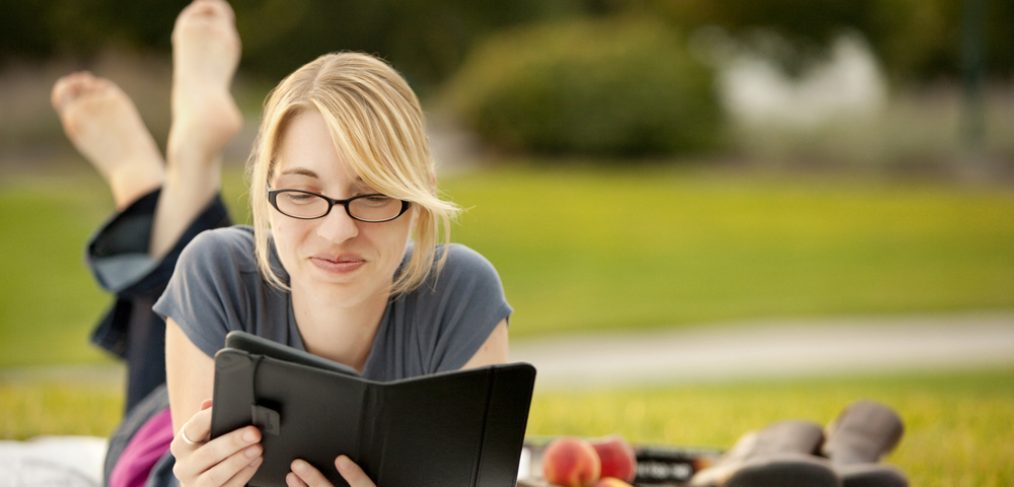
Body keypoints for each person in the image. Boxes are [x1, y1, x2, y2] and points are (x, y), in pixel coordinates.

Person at [51, 1, 512, 486]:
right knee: (205, 268)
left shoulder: (461, 295)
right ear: (268, 196)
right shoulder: (216, 269)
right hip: (163, 449)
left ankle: (156, 175)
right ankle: (159, 170)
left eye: (373, 195)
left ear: (420, 198)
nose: (337, 232)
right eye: (302, 193)